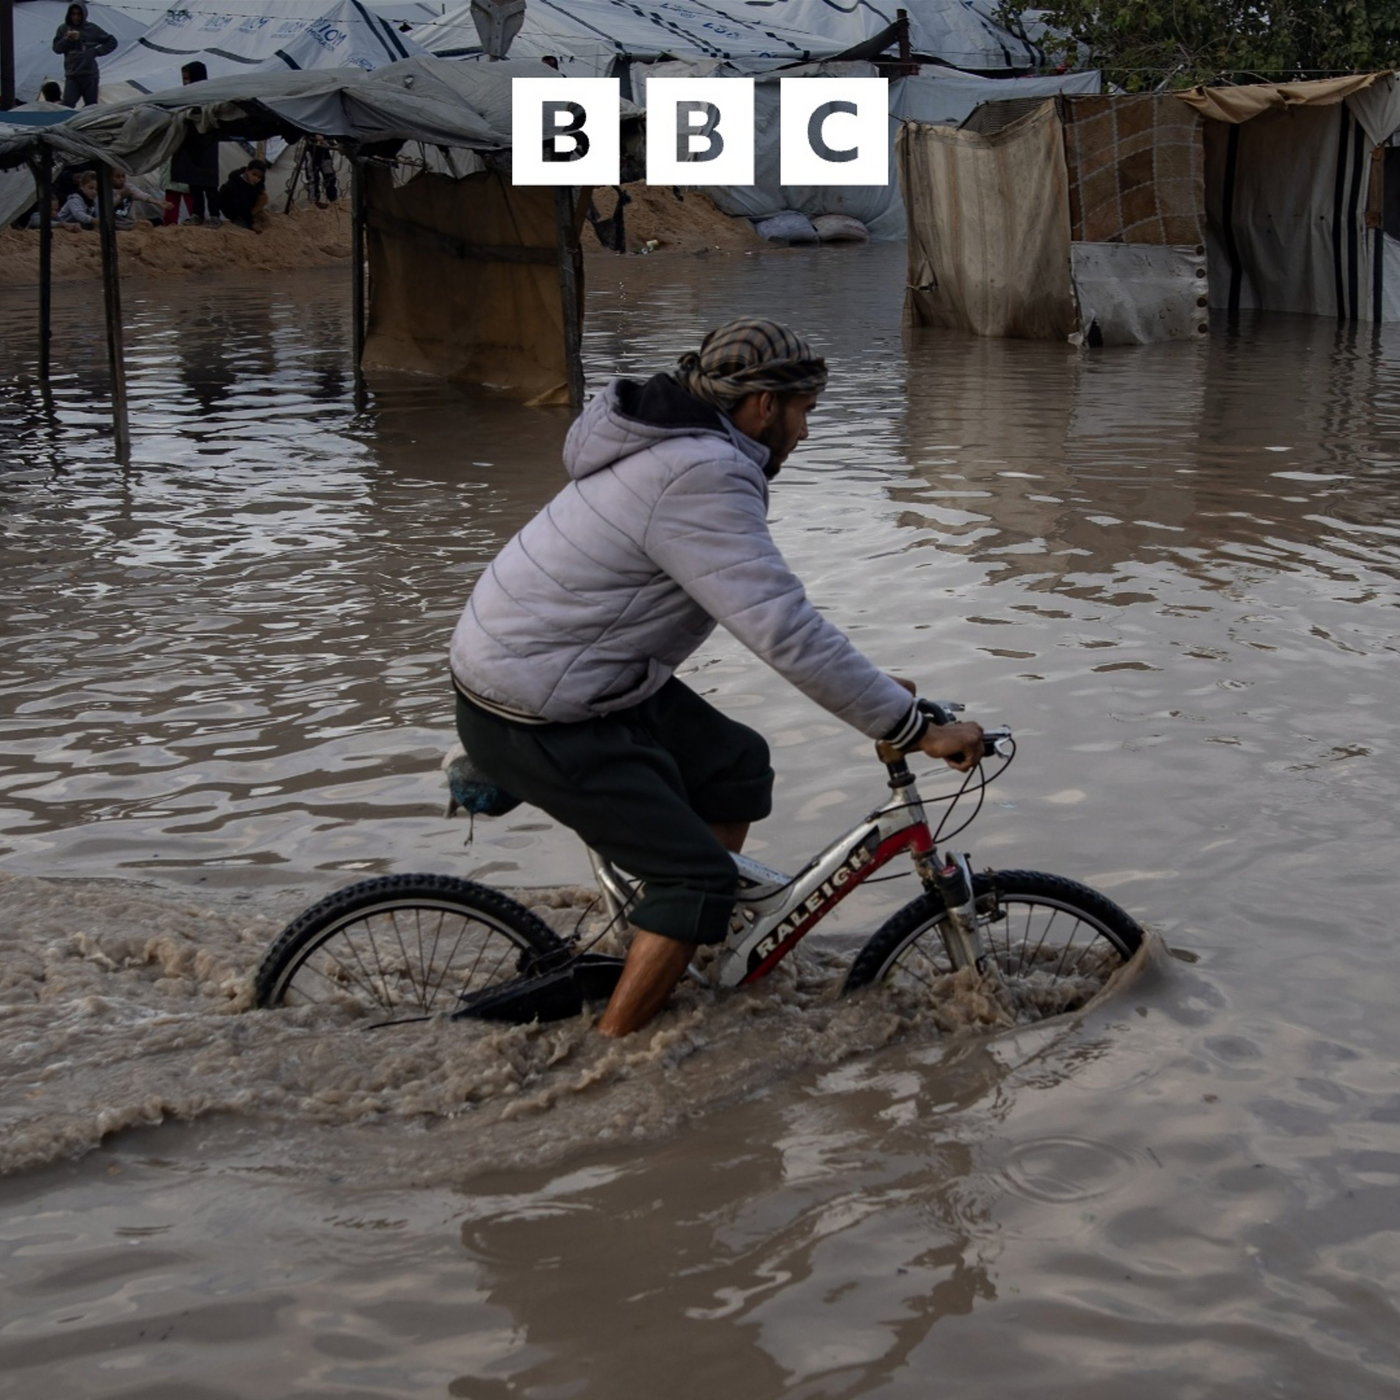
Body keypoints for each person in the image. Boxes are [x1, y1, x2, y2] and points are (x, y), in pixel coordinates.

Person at [448, 319, 984, 1037]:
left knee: (734, 764)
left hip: (558, 670)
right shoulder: (702, 473)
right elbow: (781, 628)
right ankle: (618, 1058)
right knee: (695, 878)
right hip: (541, 702)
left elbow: (759, 610)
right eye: (805, 411)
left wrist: (878, 692)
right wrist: (911, 727)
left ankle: (685, 942)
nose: (805, 431)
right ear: (764, 406)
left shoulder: (676, 448)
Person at [165, 62, 223, 226]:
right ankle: (197, 214)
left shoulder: (209, 93)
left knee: (209, 183)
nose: (186, 82)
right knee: (193, 182)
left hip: (207, 142)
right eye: (184, 79)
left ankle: (214, 215)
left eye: (188, 78)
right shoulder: (185, 94)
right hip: (190, 142)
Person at [51, 3, 117, 109]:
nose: (76, 17)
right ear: (69, 15)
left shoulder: (92, 28)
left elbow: (112, 41)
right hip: (72, 74)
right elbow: (57, 49)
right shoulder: (63, 29)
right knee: (67, 105)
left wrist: (96, 51)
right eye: (73, 14)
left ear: (84, 15)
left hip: (89, 74)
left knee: (91, 107)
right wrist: (67, 39)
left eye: (79, 14)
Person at [219, 158, 268, 230]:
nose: (256, 178)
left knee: (263, 197)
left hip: (246, 207)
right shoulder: (234, 184)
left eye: (259, 177)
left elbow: (261, 187)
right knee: (247, 226)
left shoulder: (257, 181)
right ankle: (240, 220)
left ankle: (250, 216)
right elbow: (241, 205)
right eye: (254, 174)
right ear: (247, 170)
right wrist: (251, 222)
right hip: (232, 210)